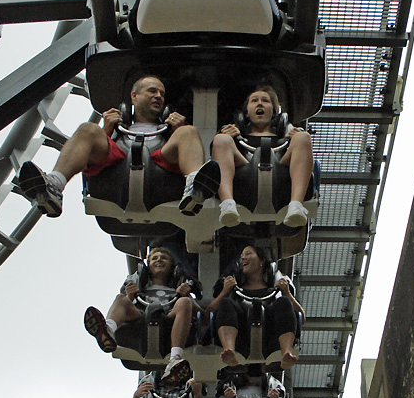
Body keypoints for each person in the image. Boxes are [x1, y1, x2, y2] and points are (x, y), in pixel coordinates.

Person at [17, 70, 219, 217]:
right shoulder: (117, 128)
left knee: (188, 131)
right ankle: (54, 185)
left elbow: (178, 146)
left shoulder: (168, 130)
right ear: (134, 96)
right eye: (152, 91)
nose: (158, 96)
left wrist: (177, 130)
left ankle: (195, 186)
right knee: (87, 129)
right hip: (117, 167)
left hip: (160, 166)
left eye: (162, 94)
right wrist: (106, 130)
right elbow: (100, 151)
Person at [84, 245, 199, 383]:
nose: (159, 260)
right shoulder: (141, 288)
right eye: (154, 258)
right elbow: (127, 304)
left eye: (164, 258)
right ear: (148, 267)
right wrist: (130, 296)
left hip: (168, 323)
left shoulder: (177, 290)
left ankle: (175, 359)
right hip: (140, 322)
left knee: (185, 302)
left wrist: (185, 297)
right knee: (121, 299)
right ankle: (107, 330)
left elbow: (202, 315)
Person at [210, 83, 314, 228]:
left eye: (265, 100)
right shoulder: (236, 137)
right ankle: (227, 203)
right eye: (254, 100)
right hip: (245, 174)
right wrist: (226, 135)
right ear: (246, 112)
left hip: (279, 174)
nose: (260, 103)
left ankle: (296, 205)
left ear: (273, 111)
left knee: (303, 137)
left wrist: (294, 138)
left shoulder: (285, 138)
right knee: (221, 140)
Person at [207, 244, 304, 368]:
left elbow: (302, 317)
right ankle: (229, 350)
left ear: (262, 260)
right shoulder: (233, 291)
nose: (243, 259)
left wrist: (287, 293)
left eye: (248, 254)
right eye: (241, 256)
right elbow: (207, 316)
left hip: (269, 337)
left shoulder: (274, 292)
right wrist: (224, 292)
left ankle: (286, 352)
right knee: (226, 303)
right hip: (242, 337)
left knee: (284, 302)